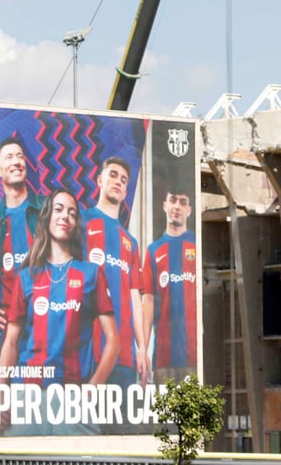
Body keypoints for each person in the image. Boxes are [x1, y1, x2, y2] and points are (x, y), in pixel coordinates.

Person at [0, 188, 117, 434]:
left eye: (72, 213)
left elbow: (113, 341)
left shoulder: (91, 273)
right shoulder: (27, 276)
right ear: (46, 217)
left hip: (73, 395)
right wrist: (2, 392)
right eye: (59, 209)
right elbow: (10, 342)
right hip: (26, 396)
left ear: (76, 225)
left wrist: (93, 387)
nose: (65, 216)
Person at [0, 136, 43, 371]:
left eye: (20, 156)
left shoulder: (48, 211)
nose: (16, 161)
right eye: (9, 157)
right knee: (6, 405)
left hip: (46, 328)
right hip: (5, 334)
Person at [79, 156, 145, 388]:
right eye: (113, 175)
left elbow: (135, 299)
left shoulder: (131, 242)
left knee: (120, 424)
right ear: (100, 180)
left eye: (124, 180)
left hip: (124, 355)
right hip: (87, 351)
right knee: (85, 423)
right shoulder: (81, 221)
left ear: (126, 191)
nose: (118, 181)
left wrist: (143, 349)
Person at [140, 186, 198, 383]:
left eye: (183, 202)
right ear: (165, 205)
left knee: (195, 412)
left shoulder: (198, 244)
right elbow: (147, 302)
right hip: (163, 358)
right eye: (173, 200)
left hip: (195, 357)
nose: (177, 206)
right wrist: (143, 350)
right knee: (163, 413)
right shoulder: (153, 251)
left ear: (189, 210)